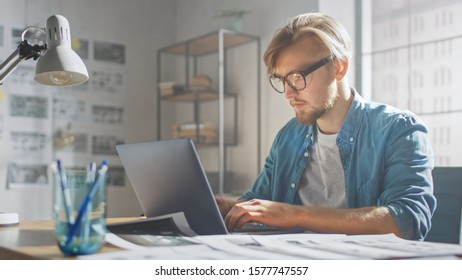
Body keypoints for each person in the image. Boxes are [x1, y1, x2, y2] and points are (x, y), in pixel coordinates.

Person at [216, 13, 436, 241]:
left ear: (339, 67)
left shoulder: (399, 129)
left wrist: (298, 215)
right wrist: (225, 208)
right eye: (282, 80)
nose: (289, 93)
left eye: (296, 76)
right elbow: (258, 200)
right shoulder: (288, 136)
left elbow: (408, 221)